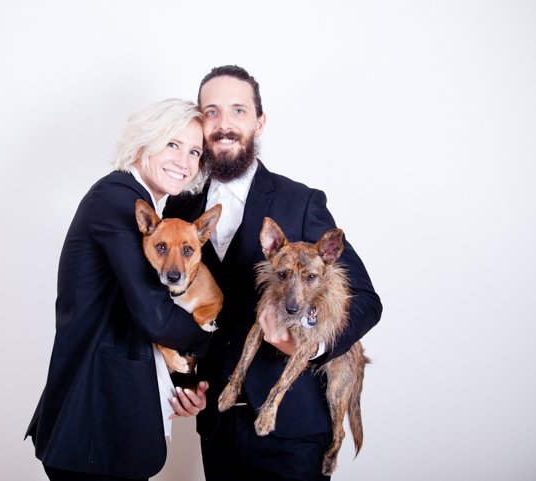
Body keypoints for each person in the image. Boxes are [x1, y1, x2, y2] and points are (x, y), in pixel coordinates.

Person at [165, 66, 383, 481]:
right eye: (211, 112)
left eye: (238, 111)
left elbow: (368, 303)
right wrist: (186, 380)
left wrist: (311, 346)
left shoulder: (300, 202)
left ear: (259, 122)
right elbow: (179, 312)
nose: (224, 124)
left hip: (294, 429)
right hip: (217, 426)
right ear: (199, 122)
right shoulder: (180, 211)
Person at [26, 98, 213, 481]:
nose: (184, 160)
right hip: (94, 416)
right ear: (144, 142)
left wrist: (186, 379)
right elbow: (154, 314)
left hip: (112, 416)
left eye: (194, 151)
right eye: (172, 144)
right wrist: (208, 342)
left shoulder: (152, 207)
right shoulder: (118, 198)